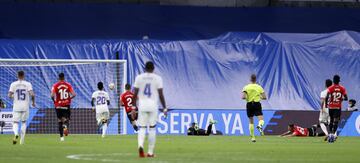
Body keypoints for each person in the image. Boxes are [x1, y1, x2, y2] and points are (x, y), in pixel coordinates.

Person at [133, 61, 168, 158]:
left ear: (144, 68)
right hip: (153, 105)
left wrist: (132, 107)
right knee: (152, 128)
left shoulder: (139, 78)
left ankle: (140, 145)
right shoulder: (157, 78)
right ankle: (150, 152)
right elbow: (161, 94)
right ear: (153, 69)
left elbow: (135, 94)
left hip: (142, 105)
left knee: (142, 128)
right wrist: (164, 107)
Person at [8, 71, 35, 145]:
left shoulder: (13, 84)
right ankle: (22, 141)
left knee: (15, 122)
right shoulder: (28, 84)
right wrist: (33, 102)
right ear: (24, 75)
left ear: (17, 75)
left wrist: (14, 96)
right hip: (25, 106)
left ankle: (16, 133)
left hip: (16, 106)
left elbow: (9, 95)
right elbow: (32, 94)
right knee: (23, 122)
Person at [51, 72, 76, 142]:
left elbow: (52, 96)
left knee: (59, 121)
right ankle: (65, 126)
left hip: (58, 105)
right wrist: (69, 98)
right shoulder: (68, 85)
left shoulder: (55, 85)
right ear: (64, 78)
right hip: (66, 105)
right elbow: (74, 94)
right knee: (66, 119)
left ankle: (61, 138)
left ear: (58, 78)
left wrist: (55, 101)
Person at [242, 74, 267, 142]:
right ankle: (259, 125)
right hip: (256, 104)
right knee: (261, 119)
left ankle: (253, 137)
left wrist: (248, 98)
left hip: (249, 104)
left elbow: (243, 97)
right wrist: (259, 96)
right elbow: (264, 97)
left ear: (250, 79)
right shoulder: (259, 87)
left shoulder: (246, 87)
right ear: (256, 80)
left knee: (251, 121)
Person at [326, 75, 347, 143]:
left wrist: (326, 104)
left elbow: (327, 97)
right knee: (336, 121)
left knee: (331, 120)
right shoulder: (342, 88)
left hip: (331, 107)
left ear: (333, 80)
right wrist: (341, 99)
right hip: (337, 107)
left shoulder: (330, 88)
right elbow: (346, 98)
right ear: (339, 81)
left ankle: (330, 134)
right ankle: (333, 134)